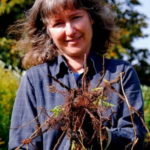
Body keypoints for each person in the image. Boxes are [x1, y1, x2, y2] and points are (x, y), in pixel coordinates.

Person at [9, 0, 147, 149]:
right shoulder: (35, 79)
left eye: (76, 17)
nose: (70, 31)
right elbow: (21, 145)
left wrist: (102, 135)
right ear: (47, 29)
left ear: (91, 18)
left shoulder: (121, 73)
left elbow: (135, 138)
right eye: (58, 23)